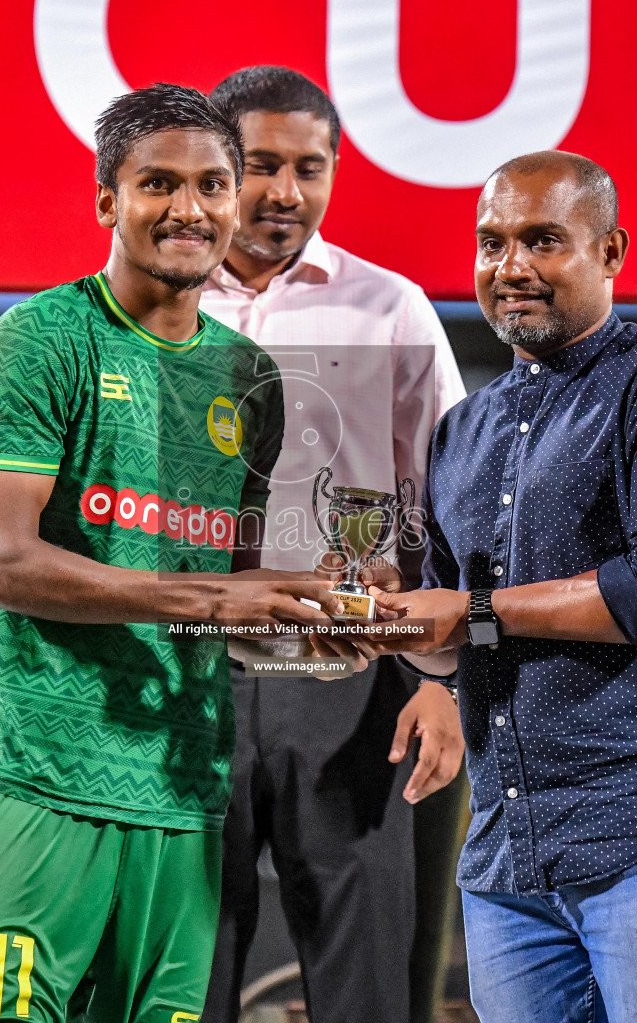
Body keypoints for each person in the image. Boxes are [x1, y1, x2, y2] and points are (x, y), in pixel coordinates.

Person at [0, 83, 344, 1023]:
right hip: (37, 778)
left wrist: (323, 614)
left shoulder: (251, 378)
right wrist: (213, 604)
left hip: (183, 796)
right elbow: (1, 566)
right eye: (159, 183)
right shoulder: (40, 341)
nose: (190, 209)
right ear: (108, 200)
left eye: (212, 185)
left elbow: (230, 596)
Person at [367, 150, 637, 1023]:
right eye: (492, 242)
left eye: (544, 240)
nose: (512, 268)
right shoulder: (463, 428)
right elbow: (444, 633)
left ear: (611, 251)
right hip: (509, 854)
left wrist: (467, 614)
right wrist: (375, 612)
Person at [195, 66, 467, 1023]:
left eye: (310, 168)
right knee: (183, 980)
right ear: (215, 168)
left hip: (349, 686)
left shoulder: (389, 308)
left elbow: (454, 509)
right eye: (261, 164)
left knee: (367, 989)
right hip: (186, 685)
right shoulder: (151, 307)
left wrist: (442, 681)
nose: (285, 192)